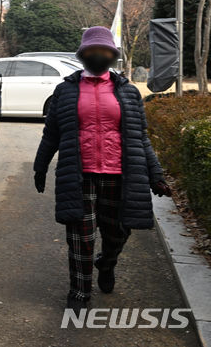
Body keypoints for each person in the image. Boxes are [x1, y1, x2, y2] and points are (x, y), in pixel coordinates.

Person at [33, 26, 172, 314]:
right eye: (93, 50)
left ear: (113, 56)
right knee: (80, 238)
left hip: (120, 176)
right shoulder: (65, 90)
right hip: (79, 175)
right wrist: (40, 166)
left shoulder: (128, 92)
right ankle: (80, 292)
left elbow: (140, 137)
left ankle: (106, 263)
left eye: (105, 51)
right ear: (83, 55)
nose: (99, 55)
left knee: (117, 233)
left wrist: (155, 175)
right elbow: (52, 134)